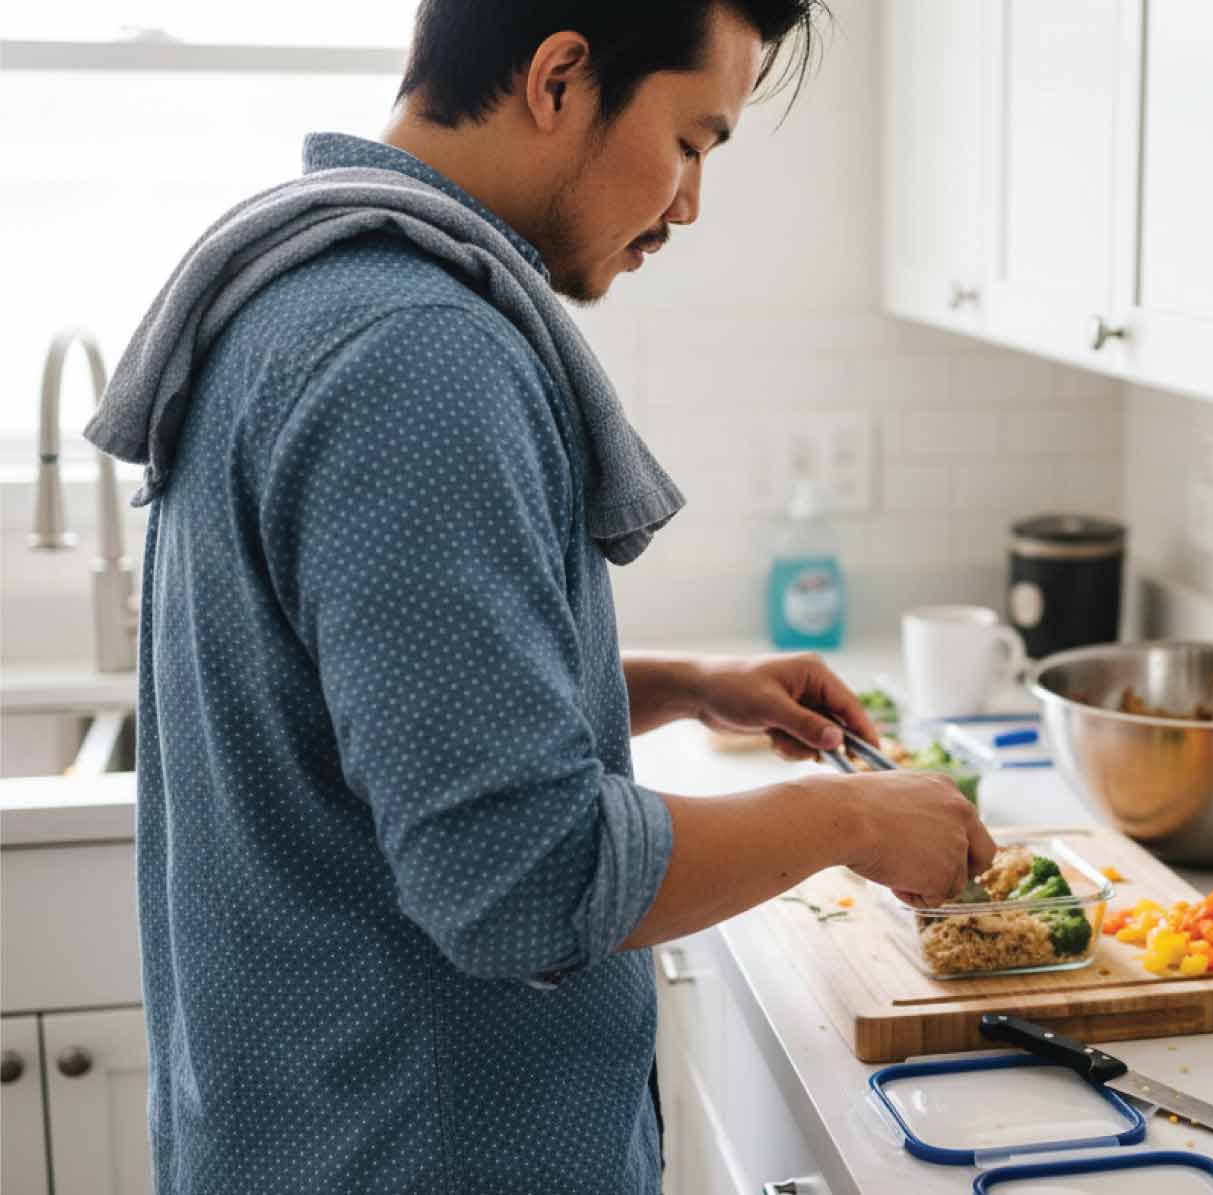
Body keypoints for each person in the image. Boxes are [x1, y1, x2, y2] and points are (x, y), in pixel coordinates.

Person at [99, 2, 995, 1191]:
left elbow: (371, 719)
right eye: (691, 141)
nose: (687, 206)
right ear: (560, 77)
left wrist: (680, 689)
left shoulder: (301, 292)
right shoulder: (420, 354)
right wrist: (851, 821)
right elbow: (522, 881)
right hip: (423, 1154)